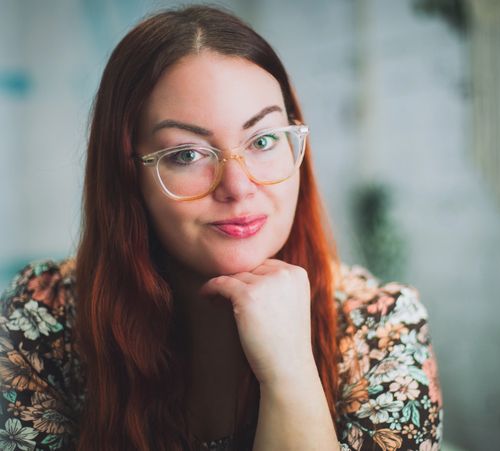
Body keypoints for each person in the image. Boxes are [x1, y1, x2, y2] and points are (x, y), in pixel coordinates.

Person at [0, 5, 442, 451]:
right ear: (127, 175)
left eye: (263, 140)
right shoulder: (44, 319)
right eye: (187, 154)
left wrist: (289, 372)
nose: (237, 187)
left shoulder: (379, 327)